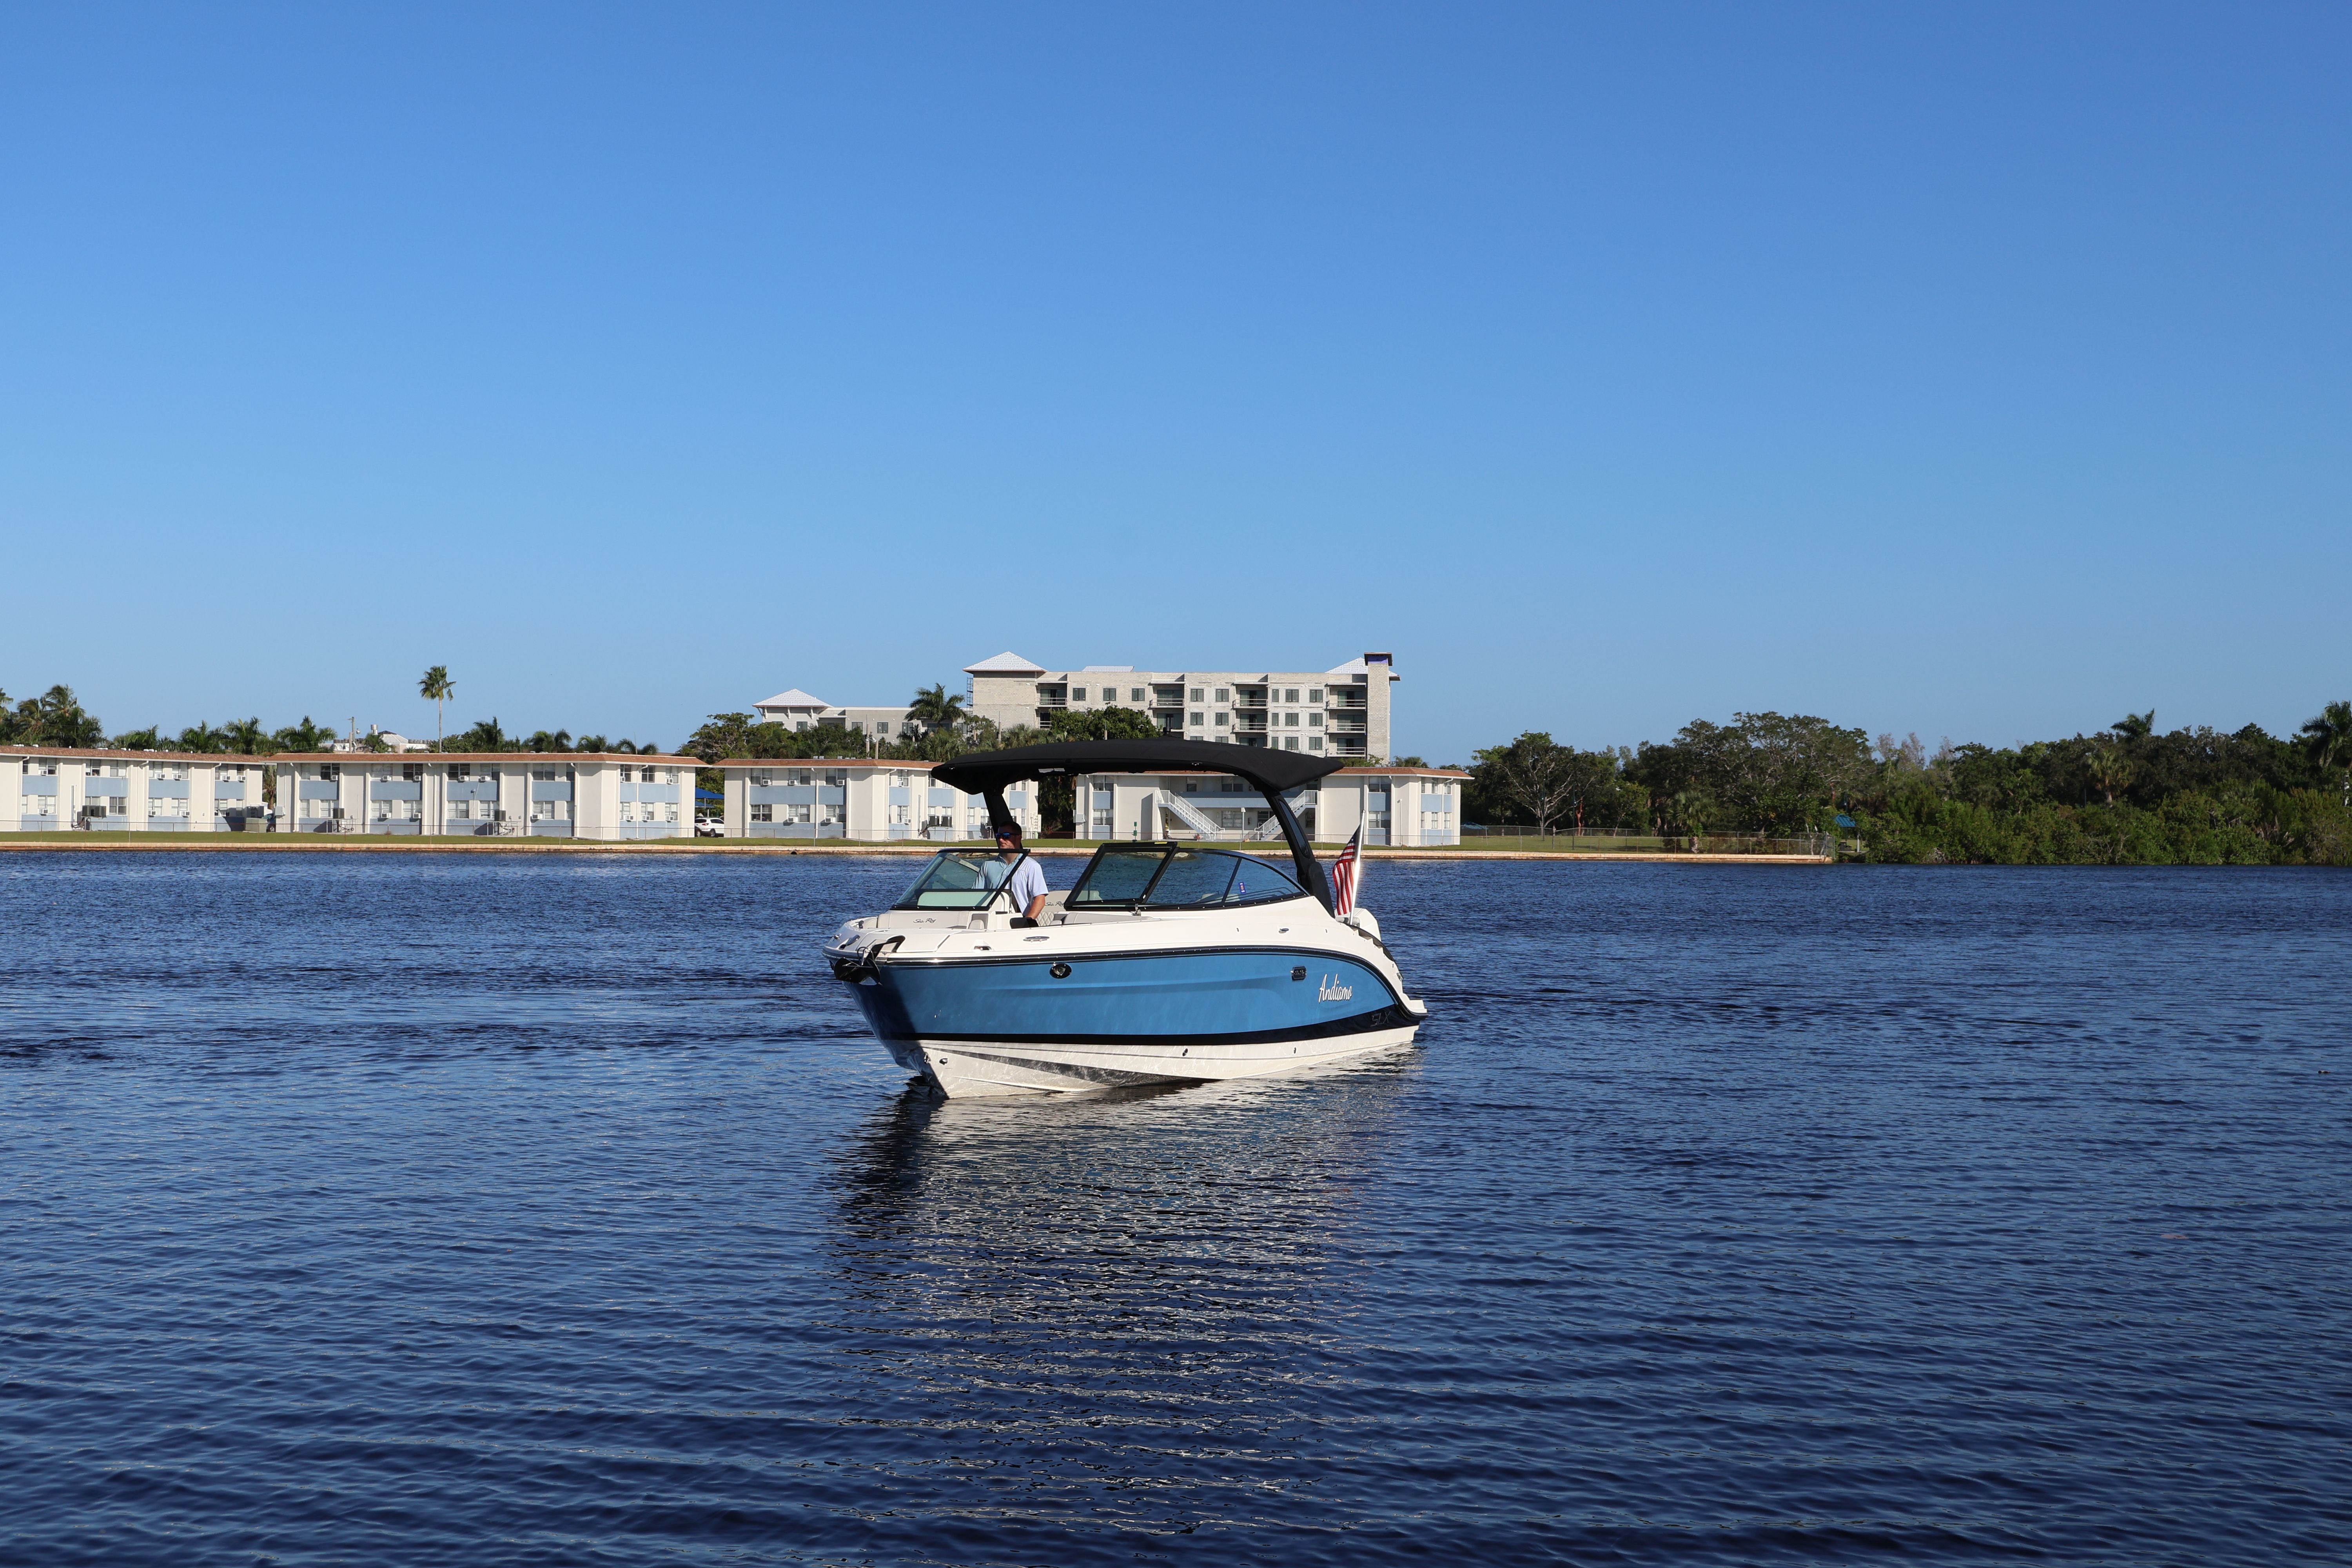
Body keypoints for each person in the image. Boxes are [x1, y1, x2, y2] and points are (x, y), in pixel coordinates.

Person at [982, 822, 1050, 924]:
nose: (1001, 840)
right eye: (999, 836)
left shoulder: (1031, 866)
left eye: (1006, 836)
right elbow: (978, 894)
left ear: (1019, 838)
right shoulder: (987, 865)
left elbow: (1040, 899)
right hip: (991, 922)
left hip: (1018, 923)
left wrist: (1025, 923)